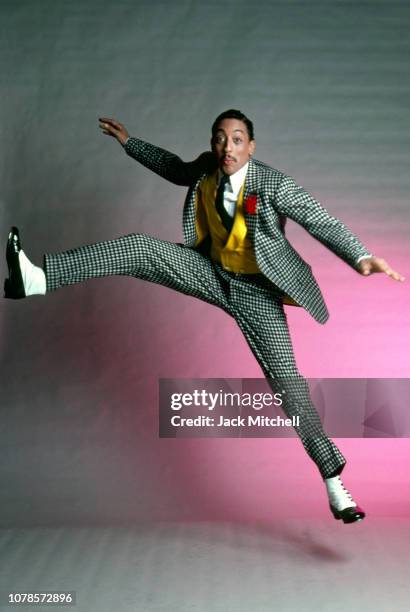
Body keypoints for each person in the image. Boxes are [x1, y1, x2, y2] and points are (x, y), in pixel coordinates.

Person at [4, 109, 404, 523]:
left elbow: (317, 218)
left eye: (236, 140)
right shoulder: (208, 167)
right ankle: (36, 279)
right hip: (212, 272)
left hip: (258, 291)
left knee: (289, 386)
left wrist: (359, 255)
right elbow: (177, 169)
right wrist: (130, 143)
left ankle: (334, 484)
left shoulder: (272, 184)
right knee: (142, 247)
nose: (226, 148)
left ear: (251, 145)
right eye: (219, 139)